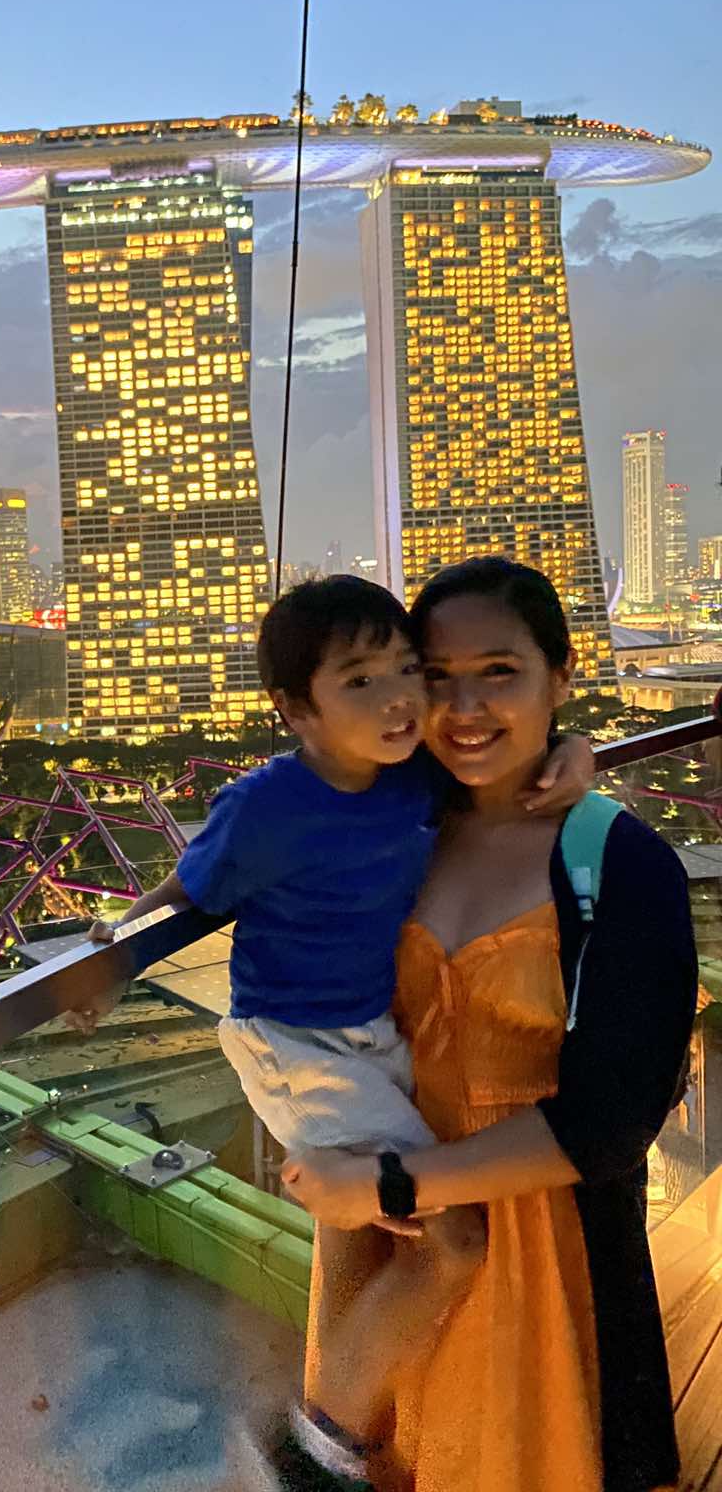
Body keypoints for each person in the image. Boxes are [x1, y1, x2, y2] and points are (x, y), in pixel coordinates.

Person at [70, 575, 594, 1488]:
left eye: (404, 670)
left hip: (370, 1037)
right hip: (299, 1047)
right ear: (295, 709)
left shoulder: (412, 776)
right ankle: (317, 1444)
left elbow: (516, 753)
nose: (400, 697)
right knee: (454, 1241)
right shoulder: (266, 807)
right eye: (361, 679)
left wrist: (578, 748)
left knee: (375, 1233)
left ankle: (341, 1423)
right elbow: (187, 896)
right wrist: (109, 955)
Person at [282, 558, 698, 1492]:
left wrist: (388, 1183)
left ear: (562, 675)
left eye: (500, 672)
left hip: (540, 1255)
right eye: (435, 676)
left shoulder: (623, 867)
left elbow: (611, 1119)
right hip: (396, 1238)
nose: (463, 707)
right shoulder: (396, 827)